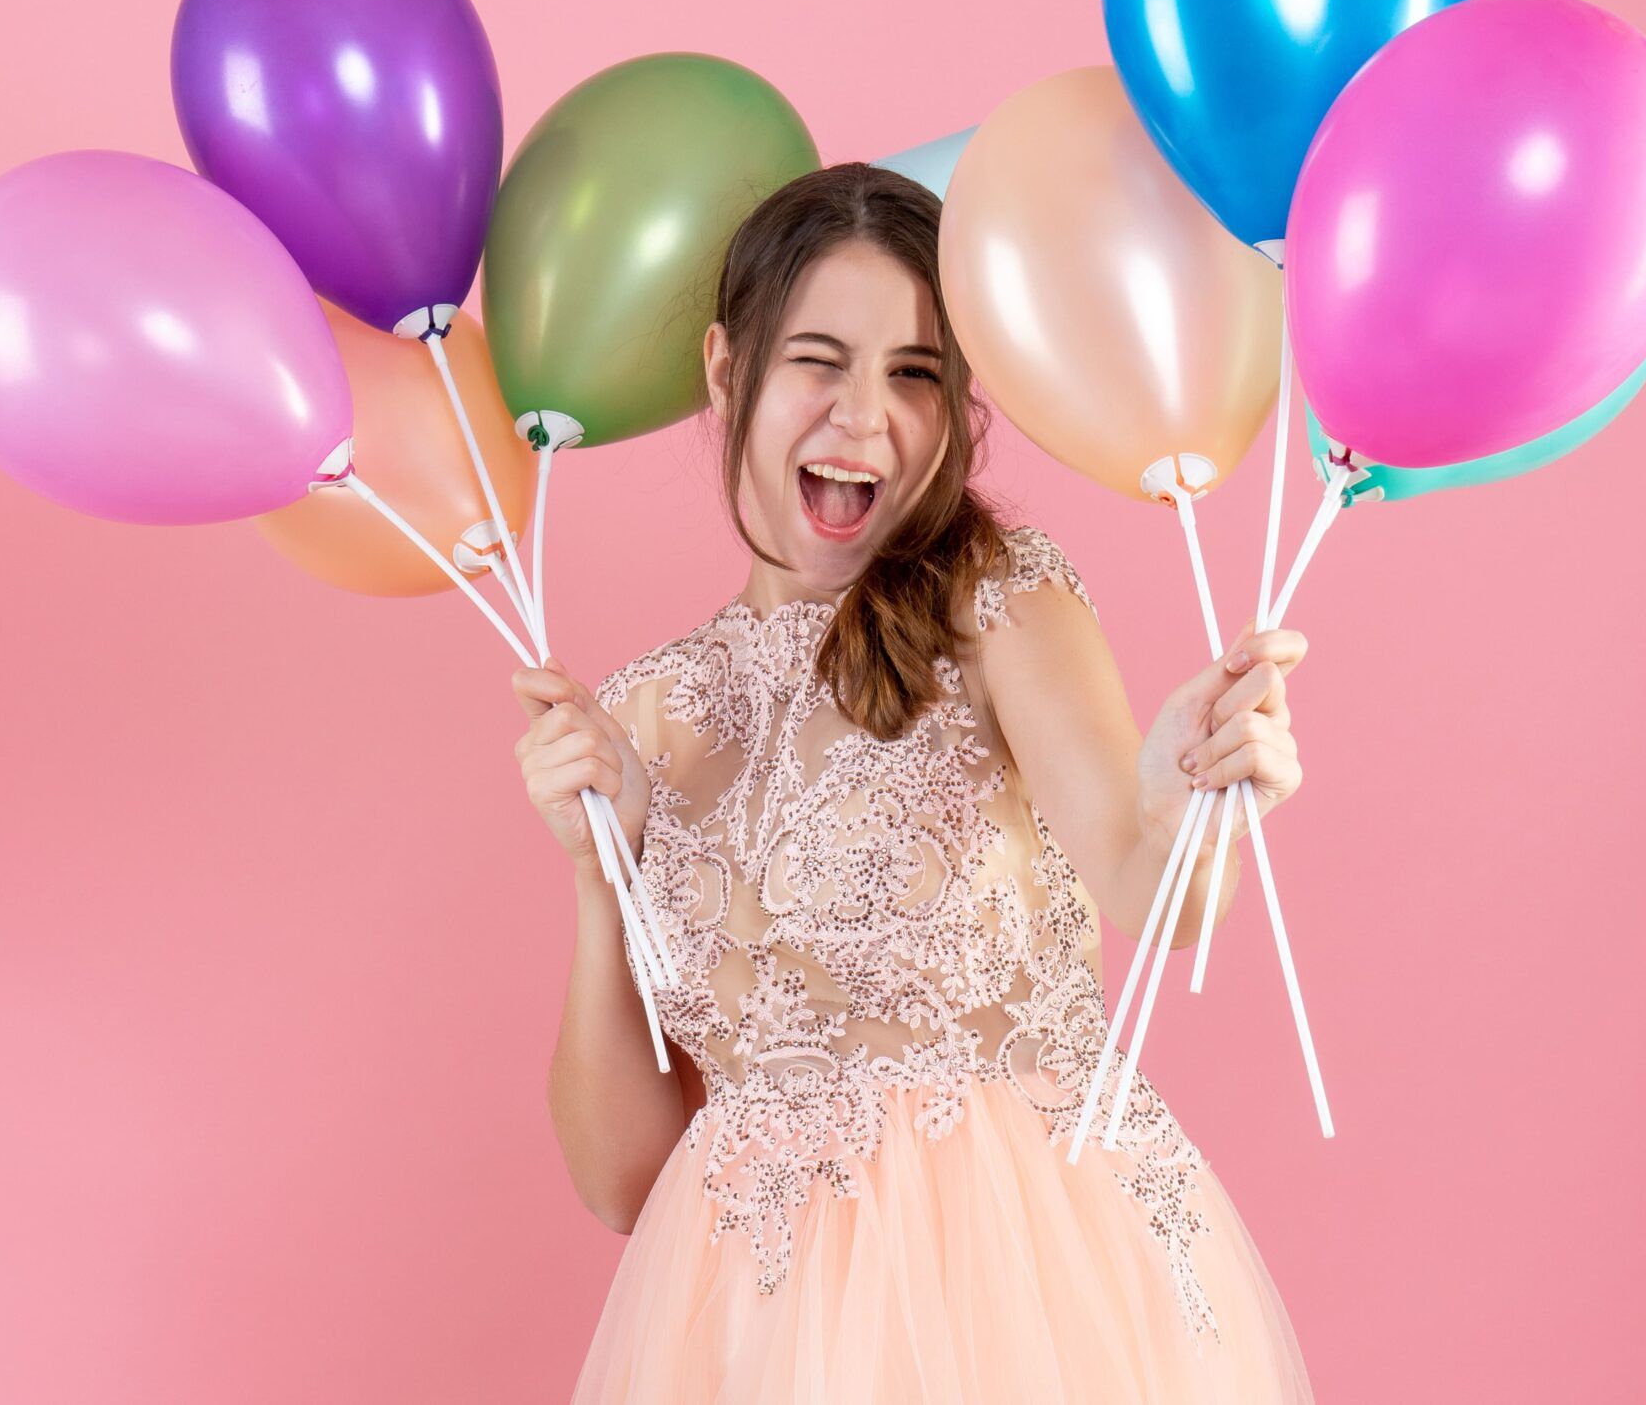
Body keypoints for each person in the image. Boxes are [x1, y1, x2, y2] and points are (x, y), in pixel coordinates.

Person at [512, 162, 1316, 1400]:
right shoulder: (646, 721)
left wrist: (1189, 801)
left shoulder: (996, 601)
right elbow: (623, 1181)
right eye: (818, 362)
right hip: (759, 1336)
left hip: (1020, 1295)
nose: (863, 417)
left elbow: (1156, 884)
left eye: (914, 374)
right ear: (728, 372)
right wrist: (594, 876)